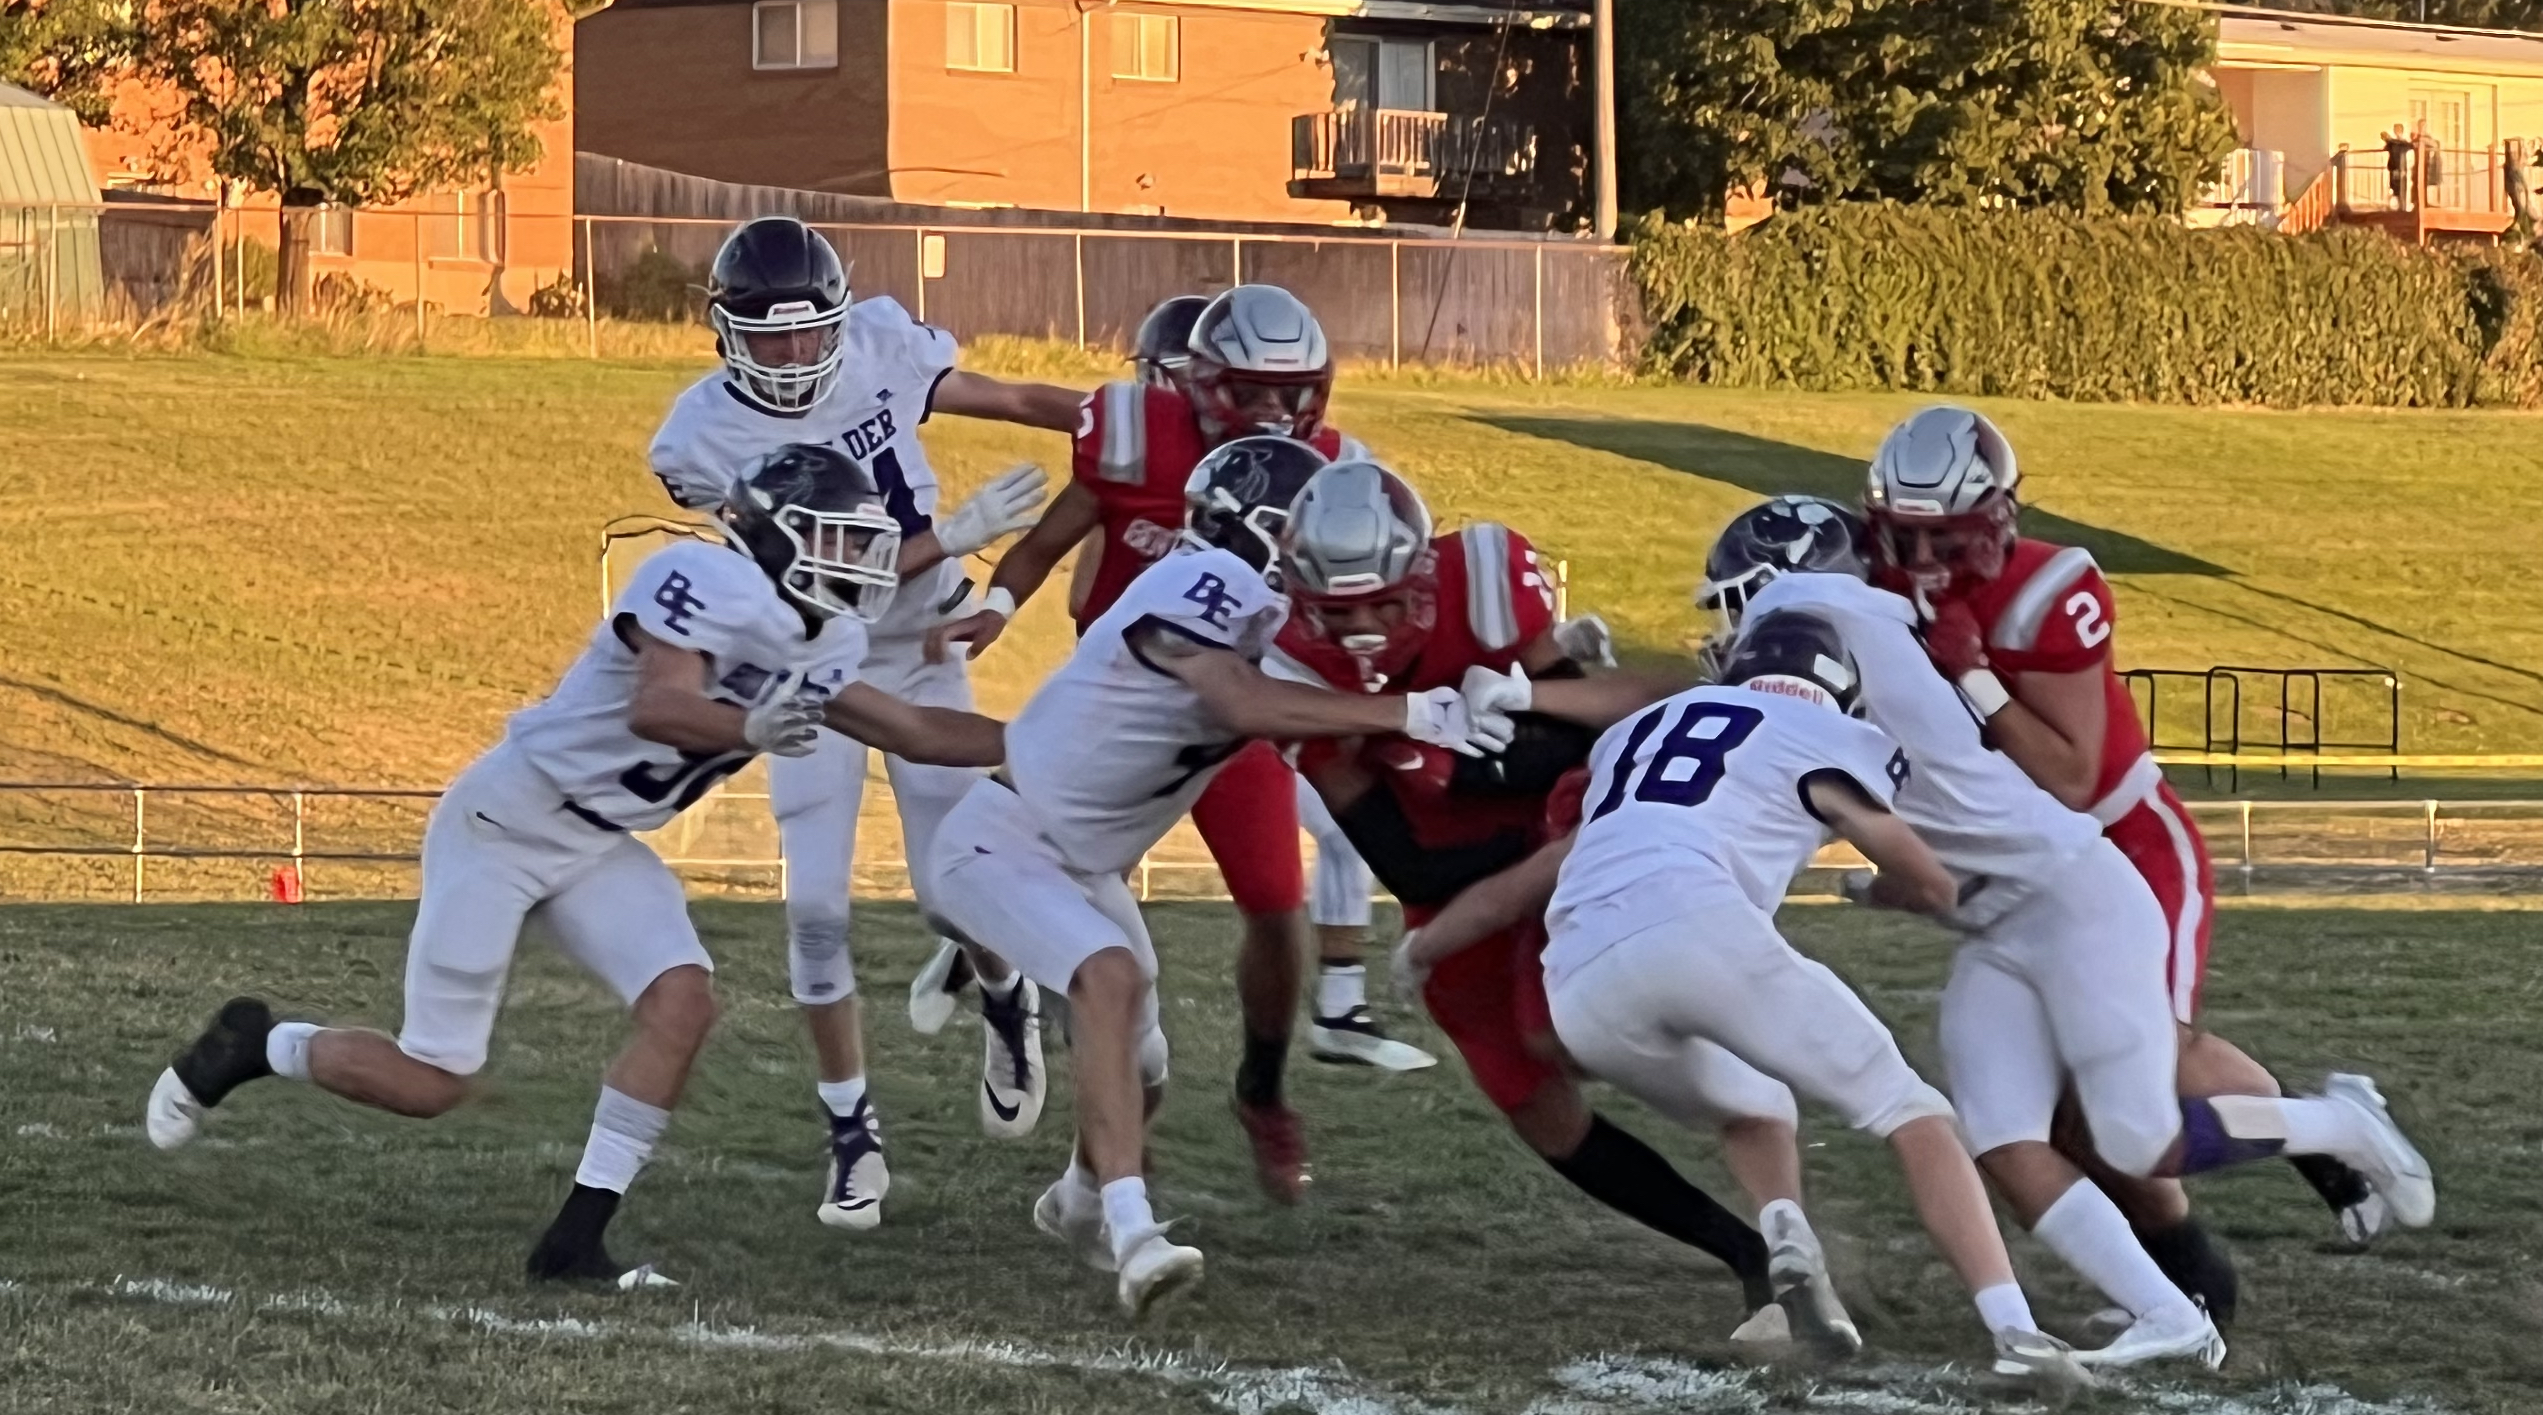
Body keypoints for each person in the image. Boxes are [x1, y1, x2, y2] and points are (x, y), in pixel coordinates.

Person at [145, 445, 1011, 1284]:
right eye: (838, 538)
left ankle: (574, 1240)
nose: (857, 558)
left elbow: (918, 731)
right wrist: (743, 728)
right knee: (434, 1081)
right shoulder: (706, 577)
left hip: (596, 840)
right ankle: (259, 1045)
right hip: (509, 821)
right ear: (779, 533)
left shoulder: (821, 645)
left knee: (683, 1001)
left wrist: (1053, 748)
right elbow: (659, 705)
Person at [1706, 494, 2436, 1369]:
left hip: (2073, 897)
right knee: (2005, 1140)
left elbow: (1777, 710)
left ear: (1789, 581)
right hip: (1996, 922)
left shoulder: (1817, 611)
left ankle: (2336, 1125)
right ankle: (2169, 1312)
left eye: (1737, 597)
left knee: (2133, 1136)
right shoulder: (1865, 642)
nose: (1731, 625)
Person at [1403, 610, 2095, 1389]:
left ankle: (1788, 1242)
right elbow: (1925, 875)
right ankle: (2016, 1332)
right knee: (1914, 1111)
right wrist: (1881, 889)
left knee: (1755, 1105)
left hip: (1581, 984)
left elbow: (1525, 884)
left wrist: (1422, 947)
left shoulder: (1640, 735)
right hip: (1696, 926)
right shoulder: (1817, 730)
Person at [924, 436, 1507, 1317]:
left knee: (1145, 1060)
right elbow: (1243, 702)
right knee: (1107, 980)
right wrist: (1407, 709)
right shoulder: (1198, 585)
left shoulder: (1269, 617)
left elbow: (1347, 696)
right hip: (1000, 839)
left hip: (1078, 861)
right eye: (1306, 533)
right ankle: (1132, 1233)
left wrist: (1508, 689)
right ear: (1260, 531)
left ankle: (1078, 1201)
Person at [1860, 405, 2398, 1292]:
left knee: (2162, 1070)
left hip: (2124, 844)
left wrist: (1972, 675)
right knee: (2075, 1130)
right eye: (1904, 538)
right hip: (2023, 877)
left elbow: (2071, 777)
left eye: (1943, 538)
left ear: (1996, 519)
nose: (1920, 564)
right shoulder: (1870, 587)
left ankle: (2323, 1140)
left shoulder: (2047, 591)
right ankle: (2197, 1279)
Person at [1280, 461, 1800, 1344]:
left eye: (1379, 604)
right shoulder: (1292, 673)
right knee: (1534, 1098)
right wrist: (1437, 762)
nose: (1363, 631)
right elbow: (1404, 864)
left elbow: (1593, 726)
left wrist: (1496, 730)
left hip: (1576, 828)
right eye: (1337, 612)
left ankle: (1771, 1159)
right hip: (1459, 875)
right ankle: (1743, 1251)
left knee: (1575, 1032)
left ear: (1420, 578)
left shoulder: (1484, 579)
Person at [927, 285, 1418, 1198]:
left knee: (1277, 903)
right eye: (1253, 392)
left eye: (1293, 392)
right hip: (1115, 721)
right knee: (1069, 901)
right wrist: (994, 605)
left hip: (1225, 722)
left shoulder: (1330, 467)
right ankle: (1089, 1134)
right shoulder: (1135, 432)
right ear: (1201, 385)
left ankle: (1261, 1091)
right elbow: (1031, 433)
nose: (1276, 413)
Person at [647, 216, 1082, 1232]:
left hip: (921, 644)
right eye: (771, 339)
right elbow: (808, 572)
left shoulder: (883, 344)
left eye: (811, 336)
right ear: (724, 333)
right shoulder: (697, 439)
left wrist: (1139, 427)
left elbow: (1015, 398)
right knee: (815, 910)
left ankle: (1002, 991)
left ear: (841, 323)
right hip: (810, 652)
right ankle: (851, 1133)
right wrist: (961, 533)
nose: (797, 358)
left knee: (952, 893)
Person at [2383, 124, 2414, 210]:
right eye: (2395, 130)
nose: (2396, 131)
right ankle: (2398, 207)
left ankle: (2402, 207)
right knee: (2395, 188)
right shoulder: (2393, 143)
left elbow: (2409, 146)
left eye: (2397, 130)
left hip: (2401, 169)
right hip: (2394, 168)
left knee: (2401, 188)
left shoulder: (2402, 143)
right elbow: (2386, 147)